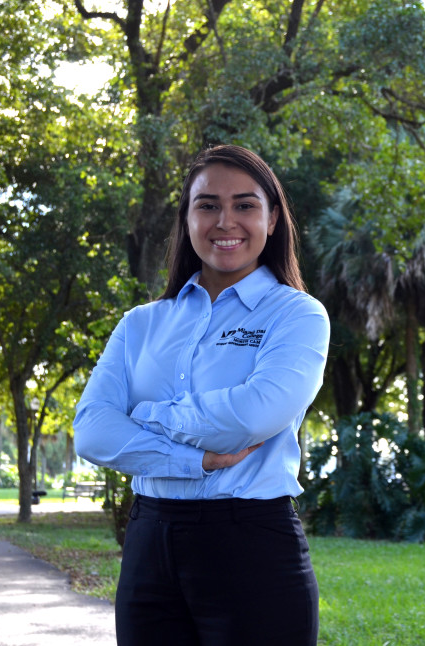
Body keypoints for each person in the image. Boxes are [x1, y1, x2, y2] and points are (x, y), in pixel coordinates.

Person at [74, 144, 329, 646]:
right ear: (187, 219)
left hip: (251, 544)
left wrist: (143, 415)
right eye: (207, 204)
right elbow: (91, 431)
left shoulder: (297, 316)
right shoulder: (140, 324)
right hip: (149, 543)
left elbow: (250, 418)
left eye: (245, 205)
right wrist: (196, 461)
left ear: (272, 219)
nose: (225, 221)